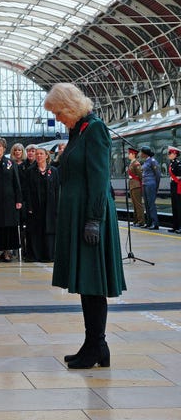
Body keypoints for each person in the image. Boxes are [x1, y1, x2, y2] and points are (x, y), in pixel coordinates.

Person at [44, 82, 126, 369]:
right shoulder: (77, 131)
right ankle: (95, 345)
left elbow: (99, 179)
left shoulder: (95, 130)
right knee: (85, 284)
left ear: (69, 107)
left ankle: (95, 346)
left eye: (57, 112)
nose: (57, 118)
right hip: (78, 215)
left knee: (93, 283)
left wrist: (94, 219)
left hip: (91, 217)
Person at [24, 146, 60, 263]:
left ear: (46, 156)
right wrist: (28, 206)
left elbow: (57, 189)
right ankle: (34, 255)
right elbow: (27, 190)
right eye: (37, 154)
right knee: (35, 230)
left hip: (50, 206)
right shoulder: (30, 171)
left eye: (41, 154)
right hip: (35, 206)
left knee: (49, 229)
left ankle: (49, 255)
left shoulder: (53, 171)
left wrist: (58, 206)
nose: (38, 156)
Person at [140, 145, 161, 230]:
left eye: (141, 152)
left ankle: (155, 223)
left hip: (151, 184)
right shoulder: (146, 162)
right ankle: (149, 222)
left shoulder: (152, 161)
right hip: (145, 184)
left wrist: (156, 186)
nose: (140, 154)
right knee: (147, 204)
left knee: (151, 204)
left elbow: (158, 174)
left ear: (145, 153)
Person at [126, 146, 146, 227]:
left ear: (133, 154)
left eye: (129, 154)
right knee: (134, 204)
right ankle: (136, 221)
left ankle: (141, 221)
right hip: (132, 185)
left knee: (138, 204)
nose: (128, 155)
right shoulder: (132, 163)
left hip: (136, 186)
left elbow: (140, 176)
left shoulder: (136, 164)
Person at [167, 145, 181, 233]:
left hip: (178, 186)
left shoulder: (178, 164)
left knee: (179, 207)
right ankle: (175, 226)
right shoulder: (172, 163)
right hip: (173, 187)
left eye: (170, 153)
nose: (169, 155)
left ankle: (180, 227)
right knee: (174, 207)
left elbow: (179, 177)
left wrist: (175, 179)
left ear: (175, 154)